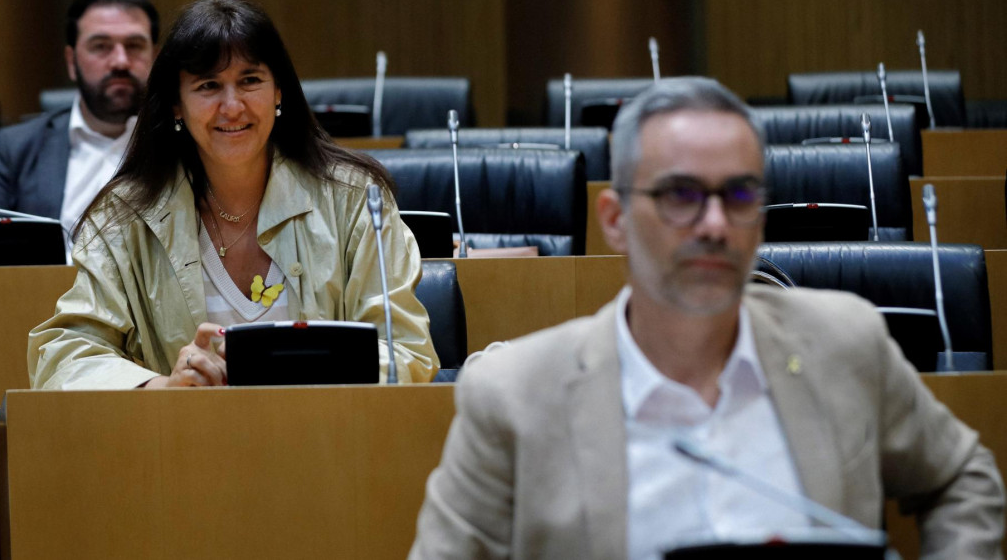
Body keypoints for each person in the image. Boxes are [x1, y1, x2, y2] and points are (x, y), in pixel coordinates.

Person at [410, 77, 1004, 559]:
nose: (715, 225)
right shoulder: (515, 398)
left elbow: (961, 477)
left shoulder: (843, 343)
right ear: (614, 219)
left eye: (740, 196)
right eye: (681, 196)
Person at [28, 0, 438, 389]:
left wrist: (291, 369)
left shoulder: (354, 199)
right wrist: (162, 387)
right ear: (176, 104)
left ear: (279, 92)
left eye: (250, 80)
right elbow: (64, 355)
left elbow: (408, 352)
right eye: (208, 85)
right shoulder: (126, 216)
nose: (232, 106)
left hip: (331, 441)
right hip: (184, 448)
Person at [0, 0, 159, 267]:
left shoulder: (181, 140)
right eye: (101, 46)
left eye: (134, 46)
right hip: (43, 301)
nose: (119, 60)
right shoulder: (20, 145)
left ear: (156, 56)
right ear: (71, 61)